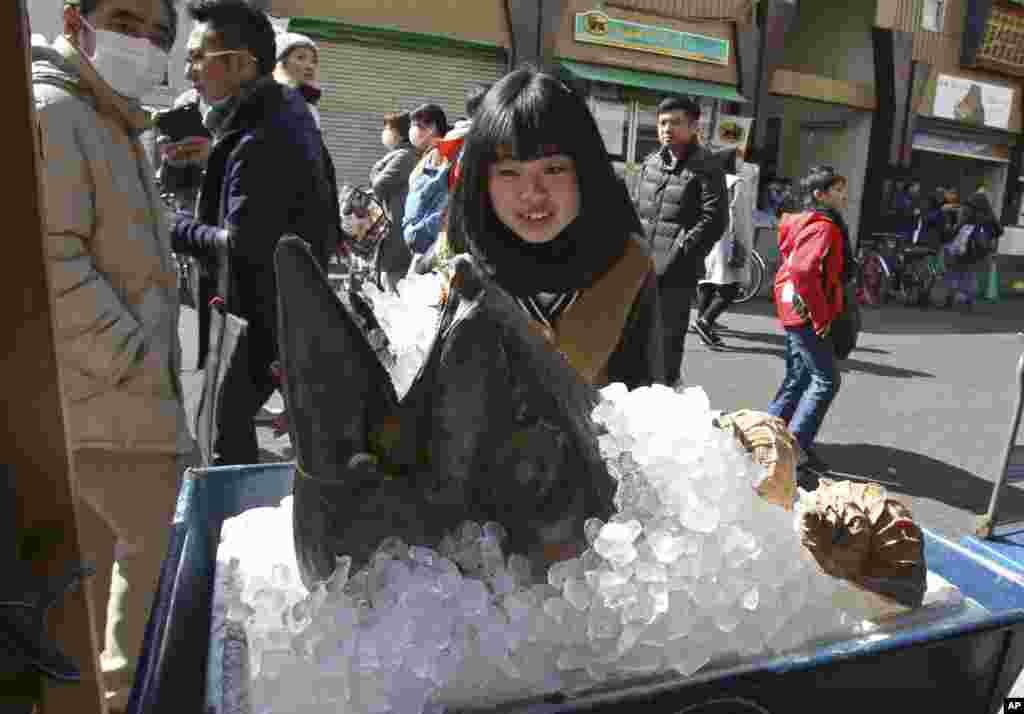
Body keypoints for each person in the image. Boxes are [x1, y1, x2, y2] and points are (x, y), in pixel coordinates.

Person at [32, 1, 196, 709]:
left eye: (158, 34)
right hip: (103, 415)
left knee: (121, 622)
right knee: (113, 628)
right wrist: (131, 358)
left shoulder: (114, 120)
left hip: (128, 408)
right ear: (76, 23)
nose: (144, 44)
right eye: (126, 22)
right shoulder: (57, 114)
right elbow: (49, 260)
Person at [169, 0, 335, 465]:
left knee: (225, 439)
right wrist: (212, 162)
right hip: (268, 321)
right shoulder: (268, 118)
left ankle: (226, 528)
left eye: (197, 57)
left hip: (255, 325)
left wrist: (177, 228)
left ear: (242, 63)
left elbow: (243, 246)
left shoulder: (267, 133)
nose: (188, 72)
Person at [449, 67, 665, 389]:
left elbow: (646, 392)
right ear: (482, 181)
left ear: (585, 171)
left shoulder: (626, 263)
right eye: (509, 172)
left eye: (553, 169)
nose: (532, 193)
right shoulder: (457, 263)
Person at [633, 95, 728, 385]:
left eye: (675, 122)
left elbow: (714, 219)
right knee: (634, 337)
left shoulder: (707, 166)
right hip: (639, 267)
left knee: (666, 341)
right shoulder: (651, 162)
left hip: (676, 272)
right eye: (663, 122)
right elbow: (636, 207)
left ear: (693, 126)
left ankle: (663, 399)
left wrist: (682, 252)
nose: (667, 129)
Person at [767, 166, 852, 481]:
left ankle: (769, 441)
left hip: (791, 307)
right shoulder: (824, 226)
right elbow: (804, 271)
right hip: (806, 312)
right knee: (826, 380)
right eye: (839, 190)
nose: (845, 195)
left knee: (798, 377)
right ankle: (793, 451)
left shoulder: (800, 221)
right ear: (821, 195)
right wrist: (819, 315)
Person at [273, 31, 343, 265]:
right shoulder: (275, 103)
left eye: (313, 61)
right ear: (279, 62)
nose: (309, 66)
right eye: (300, 57)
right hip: (288, 227)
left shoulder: (306, 105)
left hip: (310, 226)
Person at [694, 171, 755, 347]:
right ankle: (705, 322)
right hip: (726, 239)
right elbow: (740, 216)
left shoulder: (705, 178)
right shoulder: (737, 183)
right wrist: (743, 242)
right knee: (731, 288)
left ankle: (703, 321)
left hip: (705, 236)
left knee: (707, 281)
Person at [369, 111, 416, 288]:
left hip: (396, 235)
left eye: (388, 129)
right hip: (393, 232)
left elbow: (379, 185)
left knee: (392, 287)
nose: (385, 133)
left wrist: (375, 170)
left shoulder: (404, 156)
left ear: (397, 133)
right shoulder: (403, 155)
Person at [403, 102, 450, 259]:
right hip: (426, 236)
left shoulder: (439, 154)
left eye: (417, 125)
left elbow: (426, 194)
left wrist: (417, 229)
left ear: (432, 128)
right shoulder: (431, 154)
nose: (413, 131)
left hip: (431, 239)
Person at [942, 190, 1003, 311]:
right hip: (979, 249)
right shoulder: (989, 215)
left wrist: (948, 236)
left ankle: (950, 298)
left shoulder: (969, 212)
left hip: (964, 247)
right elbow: (999, 231)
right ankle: (968, 301)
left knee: (955, 272)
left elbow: (958, 227)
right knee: (970, 274)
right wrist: (989, 237)